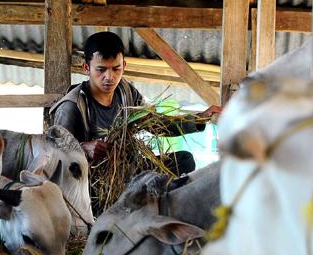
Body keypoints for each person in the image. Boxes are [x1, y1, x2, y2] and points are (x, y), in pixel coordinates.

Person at [48, 31, 221, 167]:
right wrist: (83, 148)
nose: (110, 77)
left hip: (127, 168)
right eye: (101, 69)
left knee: (184, 160)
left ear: (124, 66)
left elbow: (157, 124)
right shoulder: (72, 106)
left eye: (116, 69)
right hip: (91, 184)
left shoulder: (126, 92)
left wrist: (199, 119)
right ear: (87, 68)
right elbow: (53, 150)